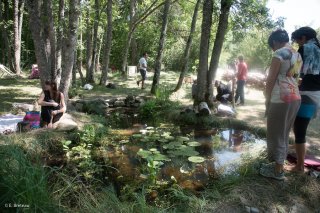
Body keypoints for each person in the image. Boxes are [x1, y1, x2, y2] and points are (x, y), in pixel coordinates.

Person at [260, 29, 302, 180]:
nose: (273, 49)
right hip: (295, 97)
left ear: (276, 42)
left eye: (272, 46)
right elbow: (295, 78)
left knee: (276, 134)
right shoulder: (297, 54)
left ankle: (278, 172)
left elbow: (271, 79)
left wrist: (267, 96)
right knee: (284, 133)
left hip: (281, 98)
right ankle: (278, 165)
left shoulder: (279, 54)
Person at [291, 27, 320, 172]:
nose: (297, 44)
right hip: (316, 95)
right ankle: (298, 151)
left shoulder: (304, 49)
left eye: (297, 40)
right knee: (300, 126)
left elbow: (294, 71)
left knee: (299, 129)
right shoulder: (318, 48)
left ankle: (299, 166)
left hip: (307, 95)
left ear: (303, 38)